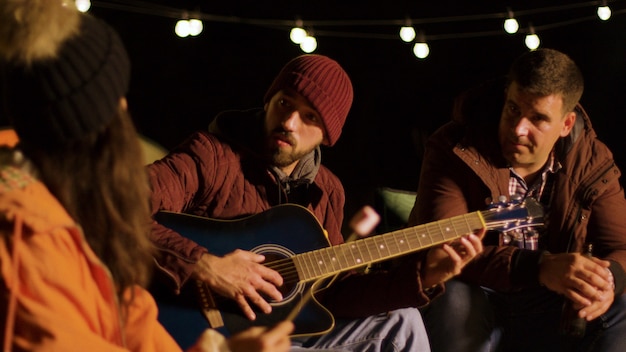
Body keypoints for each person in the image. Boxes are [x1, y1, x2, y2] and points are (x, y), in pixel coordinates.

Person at [0, 1, 293, 351]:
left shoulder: (68, 195)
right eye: (115, 102)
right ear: (89, 126)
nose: (126, 112)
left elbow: (128, 315)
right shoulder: (24, 236)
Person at [147, 53, 484, 351]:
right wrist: (205, 266)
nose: (289, 122)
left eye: (310, 117)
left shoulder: (327, 191)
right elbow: (114, 206)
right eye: (285, 103)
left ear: (327, 134)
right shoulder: (211, 156)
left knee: (402, 321)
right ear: (269, 100)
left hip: (287, 338)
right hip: (204, 335)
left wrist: (423, 277)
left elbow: (332, 294)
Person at [409, 48, 626, 352]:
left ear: (566, 124)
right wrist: (539, 266)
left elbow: (621, 246)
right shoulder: (454, 147)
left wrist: (607, 281)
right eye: (513, 109)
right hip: (477, 292)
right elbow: (445, 248)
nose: (518, 129)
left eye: (538, 118)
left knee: (621, 304)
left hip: (551, 303)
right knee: (453, 293)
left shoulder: (592, 160)